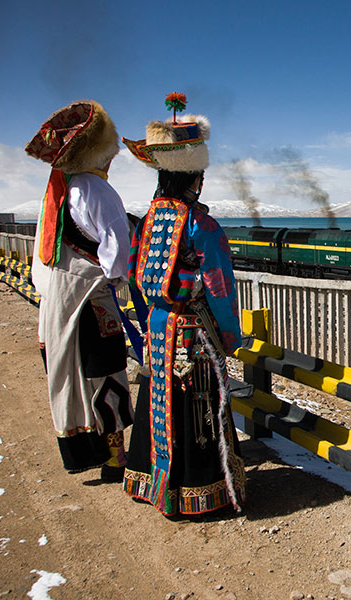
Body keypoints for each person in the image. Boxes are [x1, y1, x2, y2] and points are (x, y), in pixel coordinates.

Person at [121, 94, 247, 517]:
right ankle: (199, 491)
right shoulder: (203, 225)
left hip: (158, 327)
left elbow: (135, 275)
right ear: (197, 176)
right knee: (196, 407)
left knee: (158, 398)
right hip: (191, 333)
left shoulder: (149, 218)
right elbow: (219, 287)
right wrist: (230, 336)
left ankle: (152, 484)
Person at [25, 100, 134, 480]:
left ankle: (85, 448)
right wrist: (116, 280)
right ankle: (114, 458)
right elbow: (117, 245)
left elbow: (42, 255)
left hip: (56, 301)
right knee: (104, 370)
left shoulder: (56, 194)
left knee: (71, 373)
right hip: (91, 297)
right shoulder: (95, 190)